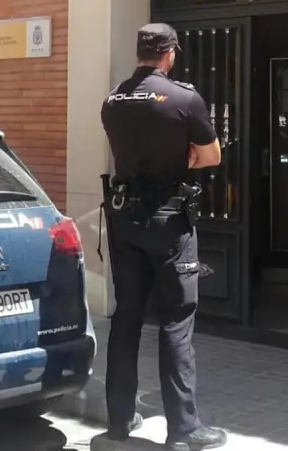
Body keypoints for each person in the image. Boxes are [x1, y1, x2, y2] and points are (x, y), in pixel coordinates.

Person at [100, 23, 226, 451]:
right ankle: (184, 430)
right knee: (176, 320)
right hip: (169, 220)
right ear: (170, 54)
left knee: (126, 318)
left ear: (139, 53)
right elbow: (211, 156)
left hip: (124, 219)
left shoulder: (112, 100)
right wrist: (183, 156)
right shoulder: (184, 98)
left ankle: (119, 422)